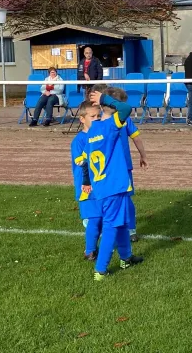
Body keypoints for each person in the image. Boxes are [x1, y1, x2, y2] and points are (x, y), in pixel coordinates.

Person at [84, 88, 143, 281]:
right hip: (114, 187)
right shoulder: (111, 125)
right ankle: (100, 270)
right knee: (110, 227)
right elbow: (126, 108)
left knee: (122, 223)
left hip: (104, 187)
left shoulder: (94, 129)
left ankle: (126, 257)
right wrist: (104, 98)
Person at [94, 84, 149, 243]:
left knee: (107, 198)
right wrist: (143, 155)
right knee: (125, 199)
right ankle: (130, 229)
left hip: (105, 168)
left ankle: (108, 228)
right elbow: (136, 138)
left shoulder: (99, 124)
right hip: (124, 167)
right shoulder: (124, 120)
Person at [70, 101, 103, 261]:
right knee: (94, 219)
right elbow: (81, 162)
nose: (96, 119)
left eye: (99, 116)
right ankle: (90, 251)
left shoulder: (101, 135)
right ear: (82, 119)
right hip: (87, 186)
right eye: (92, 116)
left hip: (102, 184)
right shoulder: (79, 140)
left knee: (104, 219)